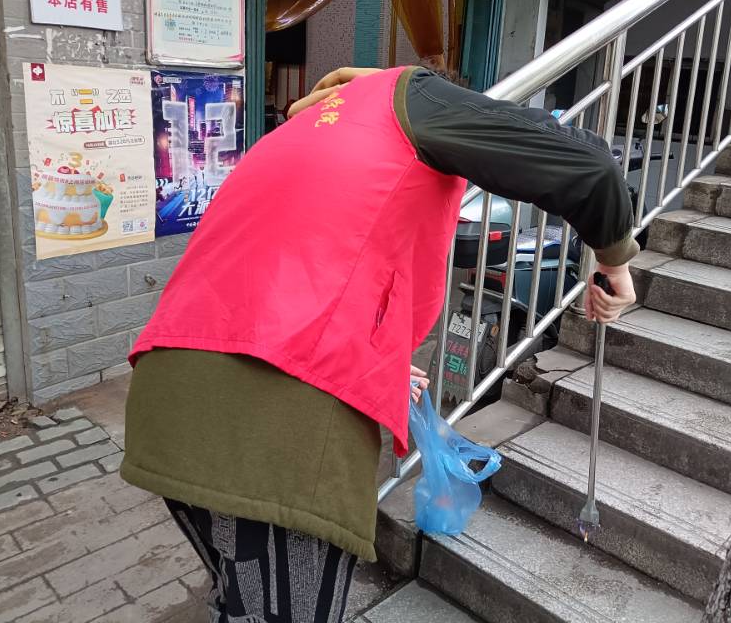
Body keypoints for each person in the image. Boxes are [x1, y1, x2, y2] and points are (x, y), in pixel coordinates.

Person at [121, 65, 639, 622]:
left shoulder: (305, 129)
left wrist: (377, 363)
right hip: (273, 420)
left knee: (241, 600)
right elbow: (587, 164)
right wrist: (615, 262)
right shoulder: (409, 98)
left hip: (171, 397)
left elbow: (297, 272)